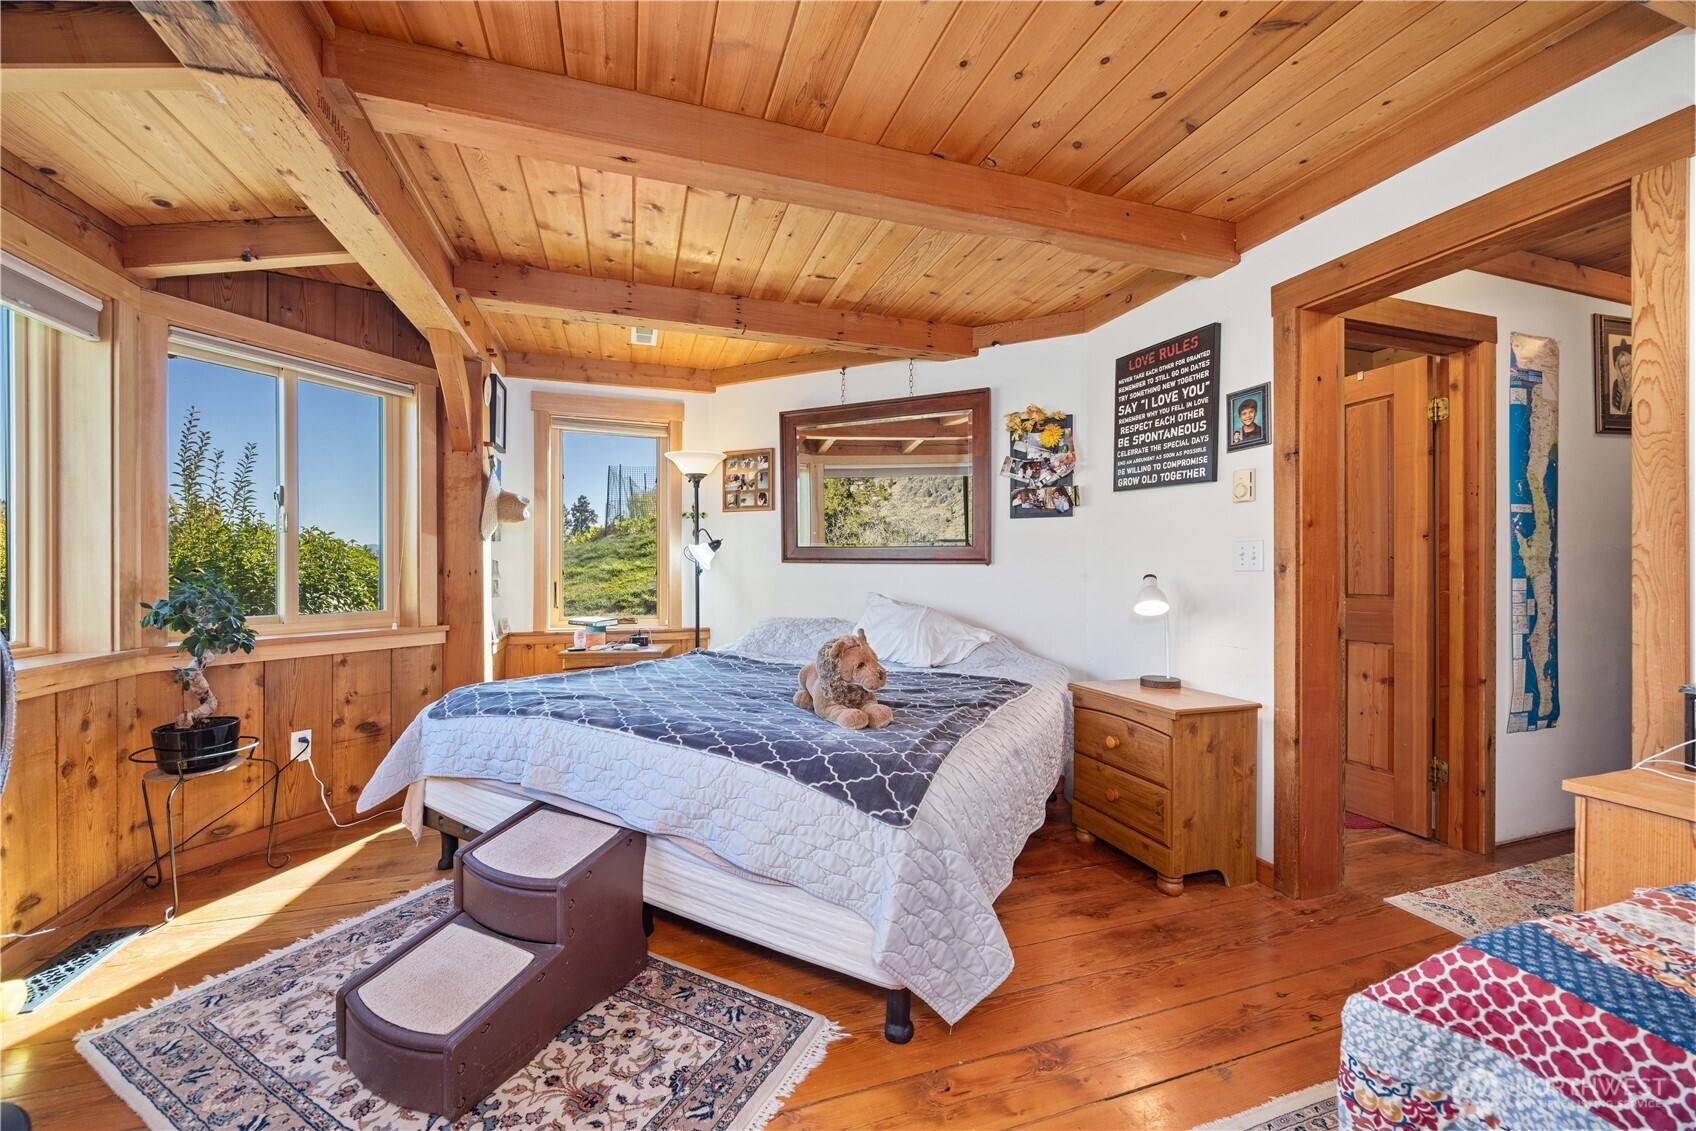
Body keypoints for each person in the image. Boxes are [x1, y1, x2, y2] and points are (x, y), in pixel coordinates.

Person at [1609, 339, 1632, 416]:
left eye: (1627, 365)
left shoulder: (1639, 386)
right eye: (1622, 366)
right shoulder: (1616, 384)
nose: (1625, 370)